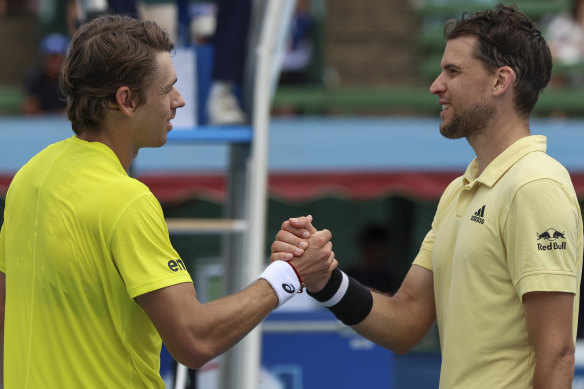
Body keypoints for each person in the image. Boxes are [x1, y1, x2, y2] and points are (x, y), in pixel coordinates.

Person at [0, 15, 336, 388]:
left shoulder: (28, 176)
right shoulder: (128, 200)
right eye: (167, 89)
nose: (180, 100)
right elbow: (195, 341)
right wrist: (289, 275)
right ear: (126, 100)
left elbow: (5, 313)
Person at [271, 5, 583, 388]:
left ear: (501, 81)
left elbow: (557, 355)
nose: (436, 85)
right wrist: (325, 281)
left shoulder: (535, 183)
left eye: (453, 71)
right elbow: (405, 321)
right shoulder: (459, 190)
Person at [21, 33, 69, 115]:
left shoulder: (74, 78)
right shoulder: (35, 77)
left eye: (60, 57)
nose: (56, 63)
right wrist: (55, 115)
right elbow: (29, 110)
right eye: (52, 57)